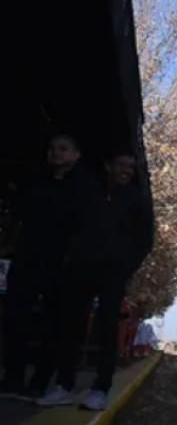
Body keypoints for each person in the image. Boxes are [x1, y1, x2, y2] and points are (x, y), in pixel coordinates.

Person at [37, 149, 152, 411]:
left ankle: (100, 389)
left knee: (108, 326)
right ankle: (64, 385)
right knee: (71, 326)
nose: (126, 171)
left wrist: (126, 267)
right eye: (121, 165)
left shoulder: (137, 200)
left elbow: (145, 240)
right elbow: (69, 225)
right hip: (80, 268)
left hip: (113, 272)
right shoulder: (89, 193)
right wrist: (70, 256)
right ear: (107, 165)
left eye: (130, 168)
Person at [0, 133, 97, 400]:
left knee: (53, 323)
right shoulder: (36, 181)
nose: (56, 153)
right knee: (15, 316)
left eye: (63, 149)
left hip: (62, 263)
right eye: (53, 148)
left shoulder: (86, 186)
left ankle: (40, 381)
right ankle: (12, 377)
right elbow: (19, 215)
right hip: (27, 257)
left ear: (76, 154)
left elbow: (87, 227)